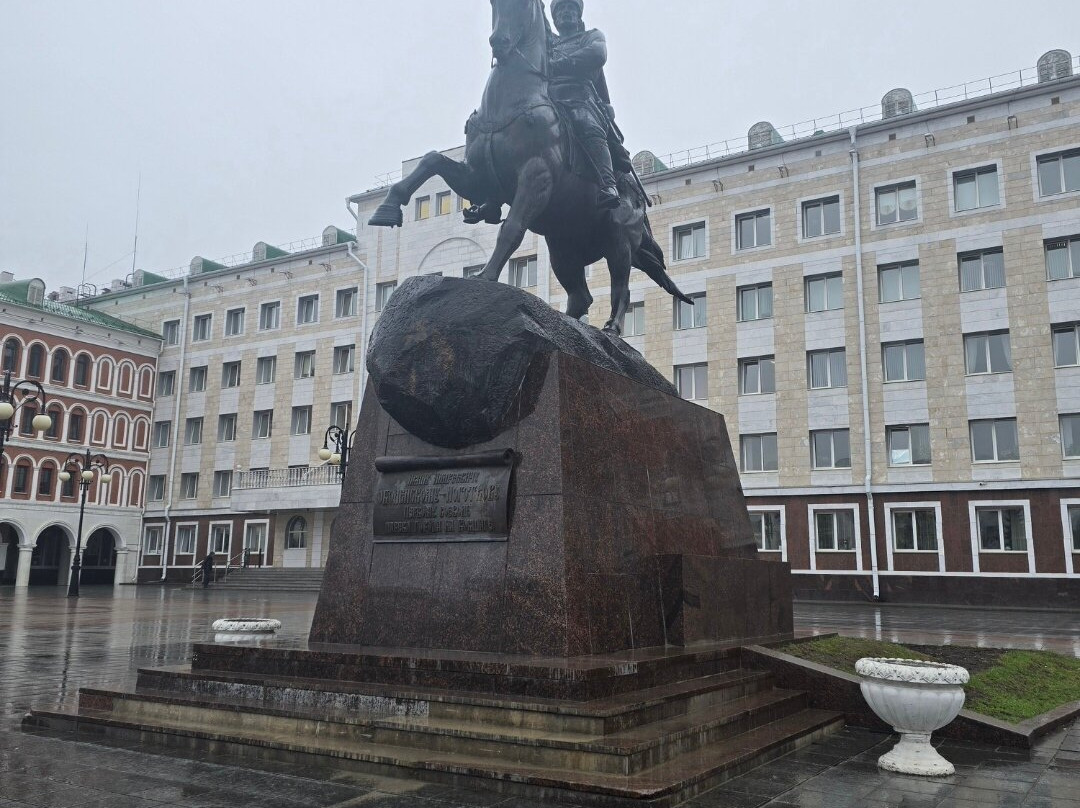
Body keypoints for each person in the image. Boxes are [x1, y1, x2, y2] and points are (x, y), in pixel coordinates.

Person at [549, 0, 621, 209]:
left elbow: (597, 54)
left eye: (571, 8)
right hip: (548, 98)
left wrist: (559, 64)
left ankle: (608, 185)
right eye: (560, 9)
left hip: (578, 96)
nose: (565, 12)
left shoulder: (591, 36)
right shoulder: (548, 43)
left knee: (585, 122)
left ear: (579, 13)